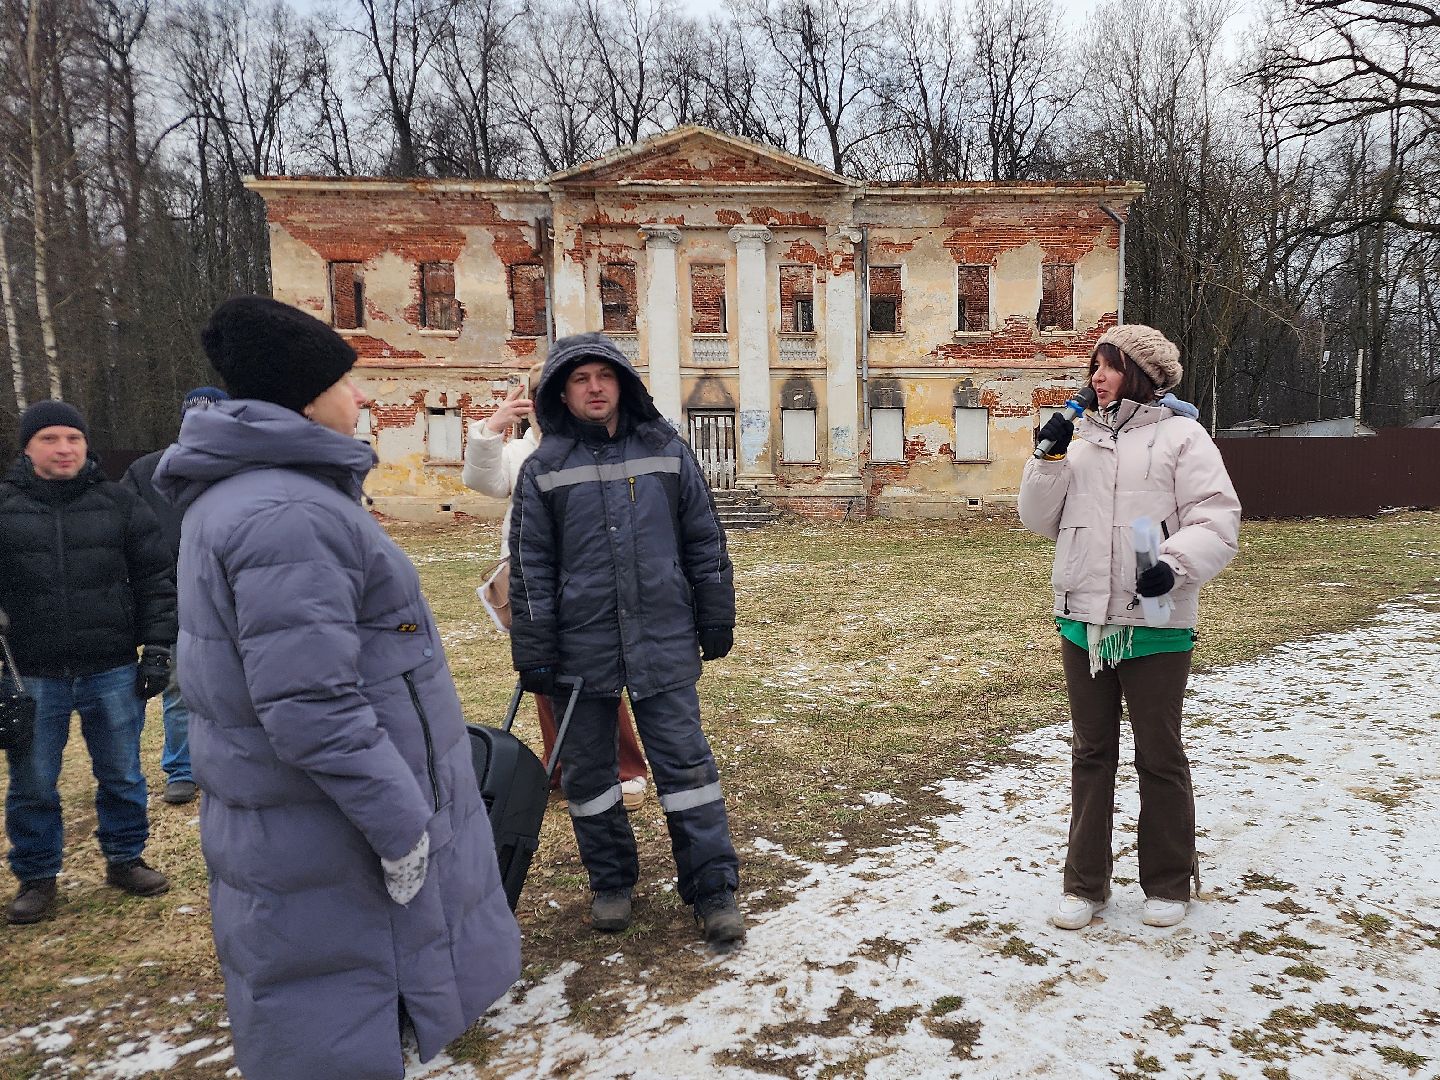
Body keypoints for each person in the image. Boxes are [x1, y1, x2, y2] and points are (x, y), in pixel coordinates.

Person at [152, 296, 521, 1080]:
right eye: (347, 382)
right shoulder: (287, 513)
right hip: (327, 828)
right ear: (304, 394)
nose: (360, 398)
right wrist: (402, 827)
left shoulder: (257, 496)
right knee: (338, 1020)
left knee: (327, 1004)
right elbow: (312, 703)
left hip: (299, 819)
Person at [509, 332, 744, 948]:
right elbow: (530, 566)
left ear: (622, 385)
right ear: (561, 391)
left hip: (662, 637)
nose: (594, 388)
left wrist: (714, 612)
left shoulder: (666, 450)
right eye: (580, 378)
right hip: (580, 651)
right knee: (589, 776)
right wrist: (534, 649)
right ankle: (611, 883)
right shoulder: (544, 468)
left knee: (687, 767)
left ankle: (714, 889)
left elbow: (703, 537)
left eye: (604, 377)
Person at [1019, 324, 1241, 931]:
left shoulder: (1181, 435)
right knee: (1091, 754)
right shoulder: (1077, 437)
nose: (1096, 377)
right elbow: (1039, 520)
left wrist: (1173, 566)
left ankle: (1167, 881)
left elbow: (1216, 519)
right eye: (1094, 366)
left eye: (1110, 366)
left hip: (1155, 625)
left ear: (1142, 375)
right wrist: (1048, 454)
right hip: (1082, 621)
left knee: (1159, 756)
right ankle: (1084, 884)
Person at [0, 400, 176, 925]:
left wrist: (158, 649)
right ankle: (36, 876)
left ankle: (125, 859)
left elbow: (155, 581)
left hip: (112, 668)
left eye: (73, 439)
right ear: (28, 447)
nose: (64, 449)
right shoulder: (4, 506)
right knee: (32, 781)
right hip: (30, 673)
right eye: (50, 439)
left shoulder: (119, 503)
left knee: (121, 773)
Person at [462, 361, 650, 809]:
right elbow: (483, 481)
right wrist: (490, 430)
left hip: (589, 577)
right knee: (543, 674)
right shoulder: (522, 451)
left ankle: (626, 771)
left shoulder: (597, 441)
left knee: (598, 672)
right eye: (536, 392)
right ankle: (564, 767)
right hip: (531, 579)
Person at [121, 386, 231, 805]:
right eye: (195, 417)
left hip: (232, 595)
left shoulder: (240, 468)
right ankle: (182, 768)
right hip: (175, 597)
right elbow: (123, 532)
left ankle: (231, 762)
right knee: (179, 688)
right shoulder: (148, 471)